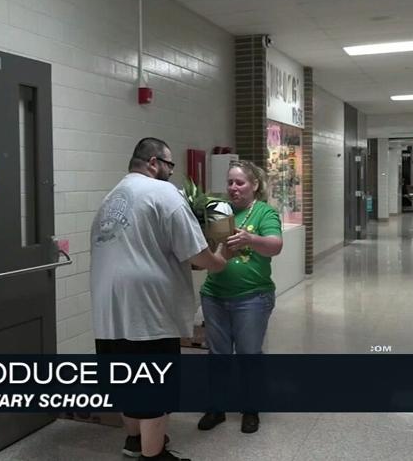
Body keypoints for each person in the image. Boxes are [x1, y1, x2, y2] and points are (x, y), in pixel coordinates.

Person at [90, 137, 229, 461]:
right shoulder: (163, 192)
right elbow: (197, 253)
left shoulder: (112, 197)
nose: (171, 172)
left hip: (108, 309)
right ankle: (154, 456)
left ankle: (135, 441)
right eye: (169, 165)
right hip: (147, 311)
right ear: (153, 162)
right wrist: (221, 259)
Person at [196, 160, 282, 434]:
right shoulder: (219, 212)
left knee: (248, 355)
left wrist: (250, 240)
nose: (233, 188)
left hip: (252, 298)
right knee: (217, 355)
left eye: (240, 182)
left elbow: (275, 246)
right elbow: (208, 247)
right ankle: (217, 408)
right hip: (214, 296)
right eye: (230, 182)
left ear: (254, 185)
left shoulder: (264, 212)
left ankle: (250, 408)